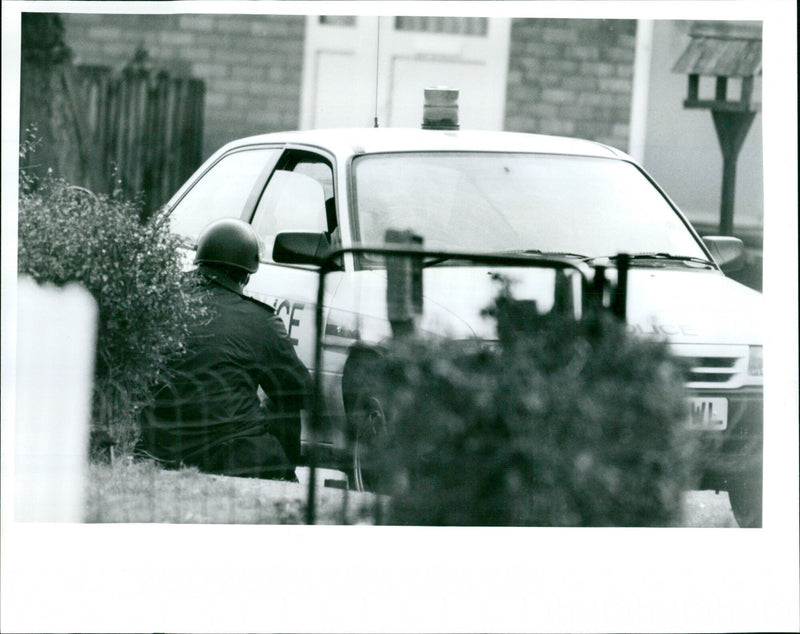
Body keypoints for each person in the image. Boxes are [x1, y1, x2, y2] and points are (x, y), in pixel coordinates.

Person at [138, 218, 312, 480]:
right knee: (284, 399)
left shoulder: (163, 300)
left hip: (159, 449)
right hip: (232, 456)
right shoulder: (260, 319)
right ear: (245, 274)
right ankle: (282, 478)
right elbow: (300, 391)